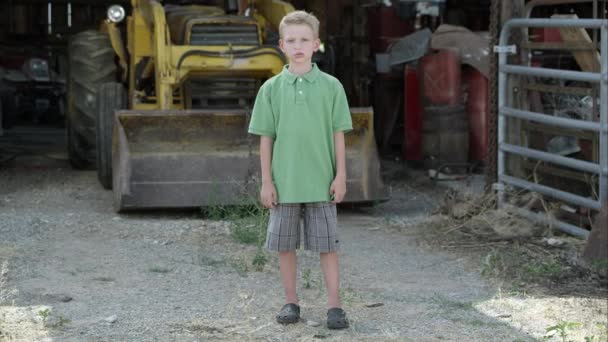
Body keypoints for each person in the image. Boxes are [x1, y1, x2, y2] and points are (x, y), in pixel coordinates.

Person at [247, 10, 352, 330]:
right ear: (281, 45)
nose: (298, 46)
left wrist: (341, 175)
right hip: (285, 184)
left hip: (321, 183)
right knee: (285, 246)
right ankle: (290, 302)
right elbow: (266, 140)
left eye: (305, 40)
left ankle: (334, 306)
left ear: (316, 44)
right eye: (291, 40)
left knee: (327, 247)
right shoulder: (270, 90)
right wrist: (267, 181)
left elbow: (338, 136)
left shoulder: (332, 87)